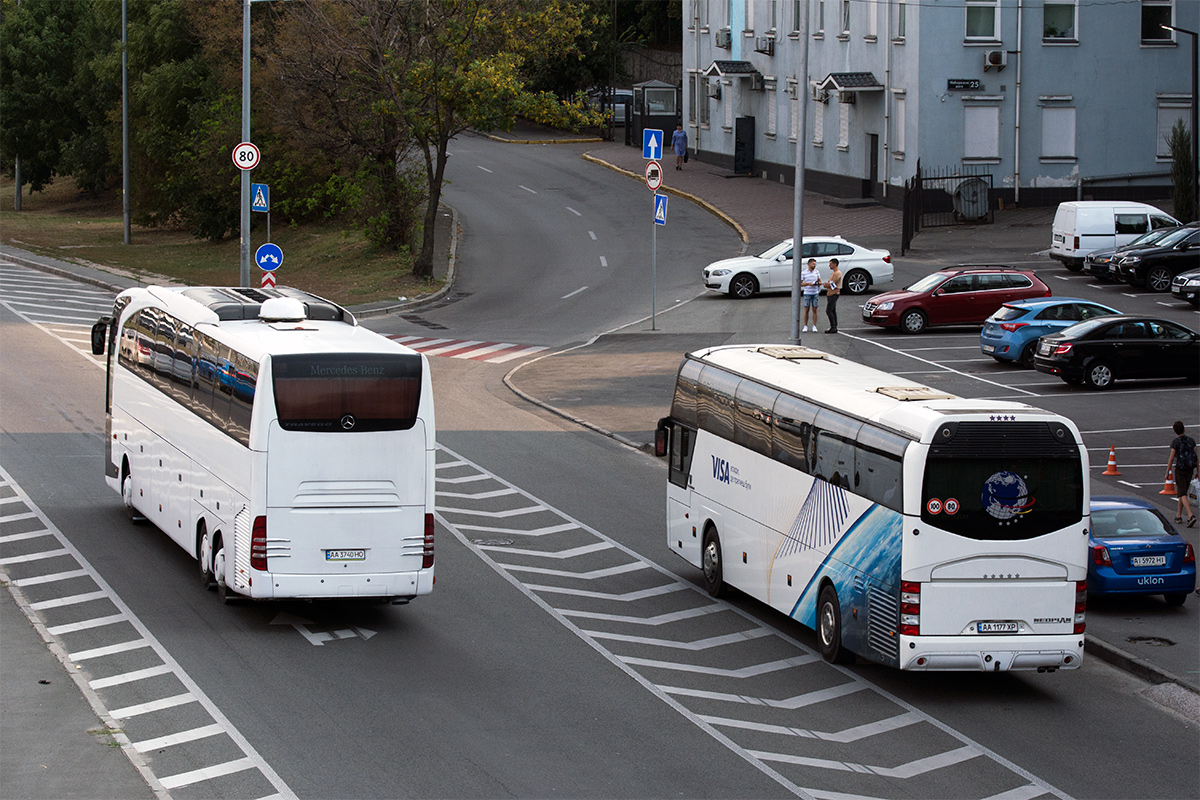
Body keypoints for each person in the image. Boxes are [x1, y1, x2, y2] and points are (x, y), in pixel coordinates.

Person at [1167, 421, 1197, 527]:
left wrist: (1167, 471)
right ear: (1184, 429)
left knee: (1182, 493)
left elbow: (1171, 458)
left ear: (1175, 431)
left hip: (1180, 469)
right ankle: (1178, 515)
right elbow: (1196, 456)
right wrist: (1198, 471)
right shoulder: (1191, 440)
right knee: (1182, 491)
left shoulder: (1175, 442)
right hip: (1190, 469)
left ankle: (1190, 515)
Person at [800, 258, 821, 332]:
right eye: (813, 264)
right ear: (809, 264)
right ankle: (805, 325)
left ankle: (814, 325)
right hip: (807, 292)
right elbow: (800, 283)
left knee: (815, 309)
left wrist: (817, 283)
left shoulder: (817, 272)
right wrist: (808, 283)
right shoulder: (804, 273)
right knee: (806, 309)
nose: (814, 265)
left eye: (815, 264)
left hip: (815, 292)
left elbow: (819, 281)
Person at [824, 258, 842, 334]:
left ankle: (833, 326)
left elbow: (832, 284)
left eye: (831, 264)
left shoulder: (837, 273)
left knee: (829, 310)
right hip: (830, 293)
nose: (829, 265)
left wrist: (826, 285)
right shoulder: (833, 273)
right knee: (832, 310)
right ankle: (833, 326)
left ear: (835, 264)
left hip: (834, 293)